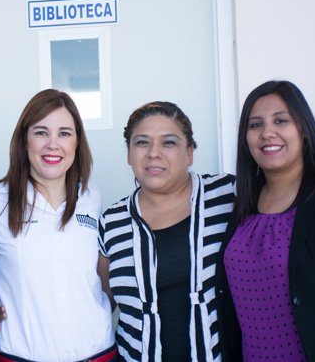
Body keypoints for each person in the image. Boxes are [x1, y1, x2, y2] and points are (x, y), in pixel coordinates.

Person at [0, 89, 116, 362]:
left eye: (65, 133)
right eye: (41, 132)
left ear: (77, 142)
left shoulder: (91, 197)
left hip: (99, 354)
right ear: (24, 140)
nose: (53, 144)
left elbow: (101, 277)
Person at [98, 101, 236, 362]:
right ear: (129, 154)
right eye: (142, 142)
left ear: (190, 152)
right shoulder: (112, 222)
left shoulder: (229, 197)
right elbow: (97, 306)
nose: (153, 153)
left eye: (169, 142)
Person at [216, 80, 315, 362]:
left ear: (303, 130)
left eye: (281, 120)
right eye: (255, 125)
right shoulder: (242, 201)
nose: (267, 133)